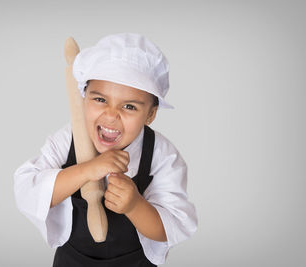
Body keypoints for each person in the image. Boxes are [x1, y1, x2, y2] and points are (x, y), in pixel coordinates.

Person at [13, 33, 198, 266]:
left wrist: (135, 205)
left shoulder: (162, 155)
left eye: (129, 106)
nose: (111, 115)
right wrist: (88, 170)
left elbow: (171, 228)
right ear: (83, 98)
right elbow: (28, 191)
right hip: (73, 260)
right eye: (100, 100)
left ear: (150, 114)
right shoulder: (66, 139)